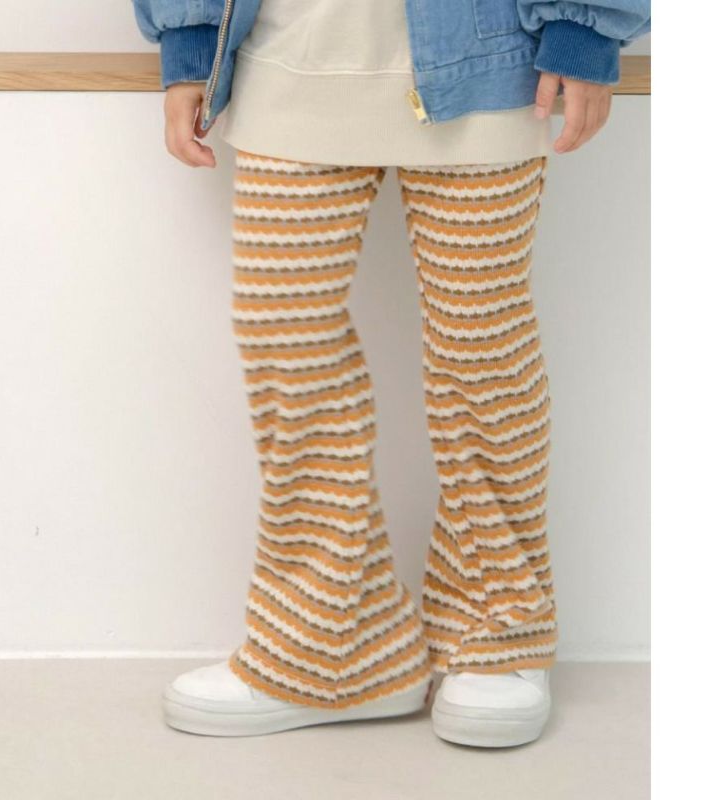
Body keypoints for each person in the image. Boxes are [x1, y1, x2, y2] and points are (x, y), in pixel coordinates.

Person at [131, 0, 651, 747]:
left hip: (492, 62)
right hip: (292, 55)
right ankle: (334, 643)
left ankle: (497, 624)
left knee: (482, 350)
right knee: (285, 335)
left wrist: (587, 26)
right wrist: (190, 38)